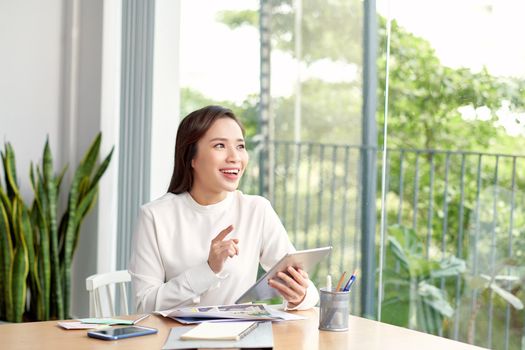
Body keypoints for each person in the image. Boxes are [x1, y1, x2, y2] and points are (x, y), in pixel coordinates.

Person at [129, 105, 319, 313]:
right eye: (220, 145)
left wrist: (299, 296)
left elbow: (309, 293)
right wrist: (208, 269)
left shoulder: (256, 210)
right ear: (191, 157)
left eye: (240, 146)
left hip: (240, 339)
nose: (235, 157)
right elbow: (144, 304)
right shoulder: (155, 216)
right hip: (176, 340)